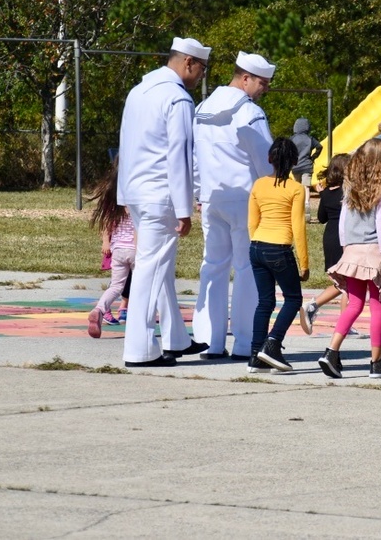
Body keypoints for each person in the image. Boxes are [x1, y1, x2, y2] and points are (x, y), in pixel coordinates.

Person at [117, 36, 210, 367]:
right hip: (162, 195)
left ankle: (174, 337)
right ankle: (139, 349)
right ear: (188, 62)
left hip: (139, 193)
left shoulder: (139, 91)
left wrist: (124, 195)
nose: (201, 76)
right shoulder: (177, 99)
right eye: (201, 68)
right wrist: (185, 209)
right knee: (150, 271)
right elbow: (180, 156)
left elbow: (126, 144)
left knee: (160, 267)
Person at [191, 50, 275, 360]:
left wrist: (200, 193)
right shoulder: (249, 113)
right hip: (246, 199)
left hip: (212, 198)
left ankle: (209, 341)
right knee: (247, 269)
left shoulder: (201, 109)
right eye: (263, 83)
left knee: (212, 267)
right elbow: (267, 161)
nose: (265, 89)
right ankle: (244, 343)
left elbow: (195, 159)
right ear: (245, 78)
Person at [317, 138, 381, 379]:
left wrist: (347, 249)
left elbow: (343, 226)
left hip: (352, 252)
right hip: (374, 252)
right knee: (378, 306)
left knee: (354, 304)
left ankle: (331, 351)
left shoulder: (349, 190)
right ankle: (376, 362)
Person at [247, 137, 310, 373]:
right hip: (279, 248)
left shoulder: (258, 184)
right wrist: (304, 263)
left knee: (265, 302)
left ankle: (255, 357)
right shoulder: (295, 189)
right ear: (294, 161)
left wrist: (257, 243)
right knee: (293, 299)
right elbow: (298, 227)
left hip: (257, 246)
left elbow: (252, 221)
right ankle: (273, 343)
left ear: (269, 159)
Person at [302, 153, 351, 334]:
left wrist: (323, 195)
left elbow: (321, 218)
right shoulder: (347, 192)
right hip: (344, 238)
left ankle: (317, 307)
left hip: (329, 237)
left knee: (343, 282)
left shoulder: (327, 193)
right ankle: (343, 323)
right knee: (349, 283)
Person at [87, 158, 135, 336]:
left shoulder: (112, 195)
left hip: (118, 250)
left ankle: (99, 310)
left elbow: (107, 222)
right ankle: (137, 320)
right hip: (136, 248)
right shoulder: (135, 193)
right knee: (140, 286)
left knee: (115, 286)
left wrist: (106, 241)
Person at [291, 117, 322, 216]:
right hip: (307, 166)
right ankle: (307, 204)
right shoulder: (310, 139)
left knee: (296, 187)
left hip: (295, 166)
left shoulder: (292, 139)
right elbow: (319, 147)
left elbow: (287, 149)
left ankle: (296, 206)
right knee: (306, 187)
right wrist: (313, 157)